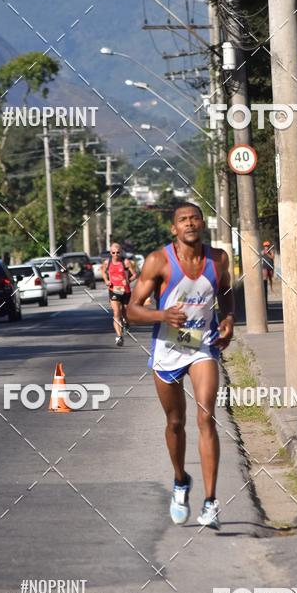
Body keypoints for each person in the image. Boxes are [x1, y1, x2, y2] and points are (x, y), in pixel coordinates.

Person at [127, 202, 234, 530]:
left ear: (202, 223)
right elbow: (132, 310)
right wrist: (162, 315)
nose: (189, 223)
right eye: (182, 220)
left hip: (202, 346)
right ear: (174, 228)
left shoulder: (218, 259)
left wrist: (228, 318)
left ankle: (211, 502)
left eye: (194, 218)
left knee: (206, 417)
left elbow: (226, 292)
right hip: (168, 349)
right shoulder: (158, 261)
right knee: (176, 423)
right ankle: (180, 480)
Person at [102, 242, 137, 346]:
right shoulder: (107, 262)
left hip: (125, 291)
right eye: (113, 252)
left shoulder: (125, 262)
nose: (116, 255)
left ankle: (126, 322)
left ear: (121, 252)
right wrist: (106, 281)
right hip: (114, 290)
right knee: (116, 313)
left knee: (125, 313)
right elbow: (103, 271)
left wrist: (128, 281)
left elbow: (135, 274)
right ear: (110, 252)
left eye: (118, 252)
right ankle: (119, 337)